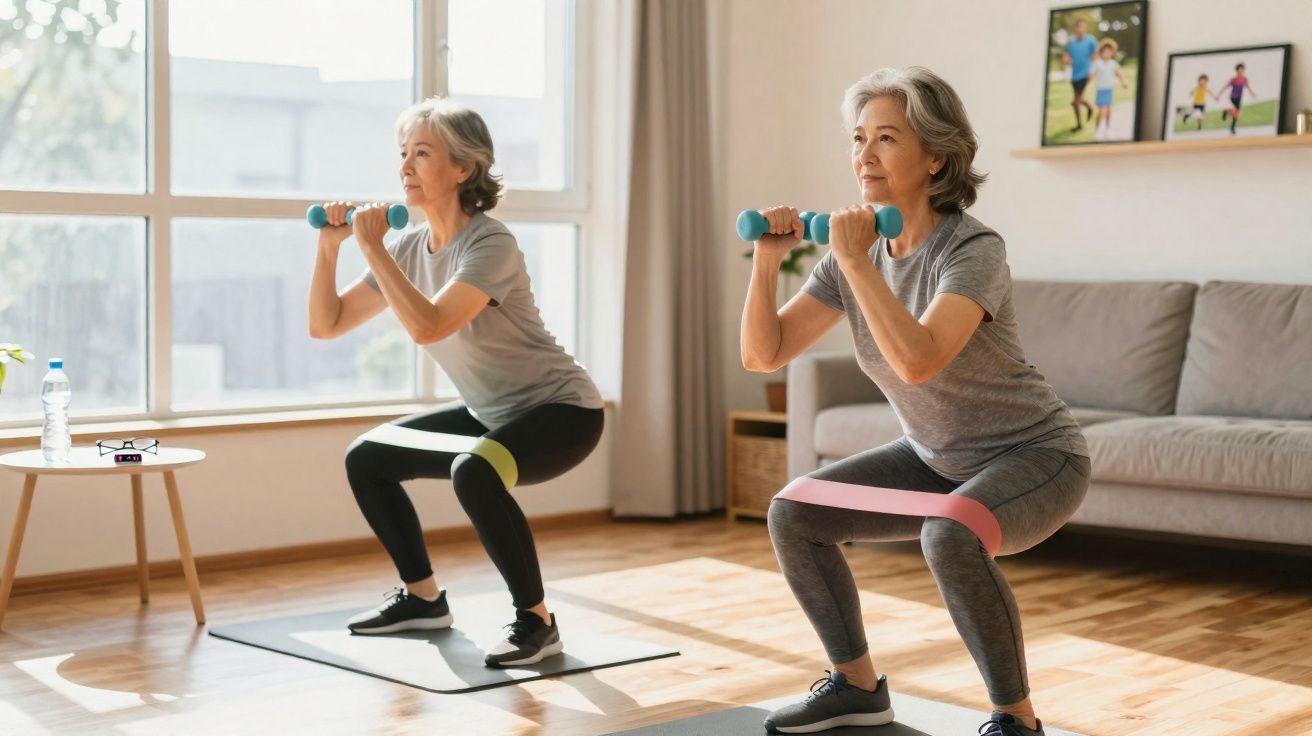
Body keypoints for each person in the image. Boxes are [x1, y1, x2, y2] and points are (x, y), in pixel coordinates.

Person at [739, 67, 1090, 736]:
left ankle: (1016, 722)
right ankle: (856, 686)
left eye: (887, 138)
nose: (864, 156)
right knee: (795, 514)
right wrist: (766, 259)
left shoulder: (973, 249)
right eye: (858, 138)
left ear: (936, 157)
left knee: (950, 533)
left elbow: (919, 360)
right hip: (934, 456)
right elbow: (764, 354)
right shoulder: (851, 254)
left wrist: (858, 262)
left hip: (1036, 455)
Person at [307, 97, 604, 668]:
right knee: (367, 458)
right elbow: (328, 324)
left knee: (475, 470)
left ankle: (537, 623)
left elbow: (430, 326)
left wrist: (370, 246)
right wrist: (329, 249)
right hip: (490, 411)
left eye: (422, 153)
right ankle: (422, 599)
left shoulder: (491, 244)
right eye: (403, 153)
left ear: (464, 167)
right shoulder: (407, 248)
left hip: (563, 411)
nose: (405, 167)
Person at [1060, 17, 1098, 133]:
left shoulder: (1091, 41)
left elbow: (1095, 57)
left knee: (1076, 101)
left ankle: (1079, 125)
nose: (1081, 29)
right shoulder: (1071, 43)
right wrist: (1066, 61)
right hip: (1074, 75)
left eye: (1083, 27)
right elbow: (1066, 57)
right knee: (1076, 101)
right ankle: (1088, 109)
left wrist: (1093, 71)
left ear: (1085, 28)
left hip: (1085, 74)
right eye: (1079, 27)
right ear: (1075, 28)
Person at [1089, 39, 1129, 141]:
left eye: (1109, 51)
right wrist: (1090, 76)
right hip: (1100, 90)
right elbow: (1091, 75)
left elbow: (1119, 73)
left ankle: (1107, 129)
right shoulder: (1097, 63)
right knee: (1101, 111)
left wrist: (1123, 81)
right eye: (1105, 51)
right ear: (1101, 52)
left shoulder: (1113, 63)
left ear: (1112, 53)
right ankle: (1097, 131)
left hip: (1109, 90)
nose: (1107, 53)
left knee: (1109, 110)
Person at [1221, 62, 1257, 135]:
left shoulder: (1244, 79)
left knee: (1236, 113)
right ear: (1237, 70)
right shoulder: (1234, 79)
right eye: (1239, 70)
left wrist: (1252, 93)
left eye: (1242, 70)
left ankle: (1226, 112)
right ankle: (1232, 128)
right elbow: (1225, 86)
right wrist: (1219, 95)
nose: (1241, 71)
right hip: (1233, 97)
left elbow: (1247, 87)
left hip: (1239, 98)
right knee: (1237, 113)